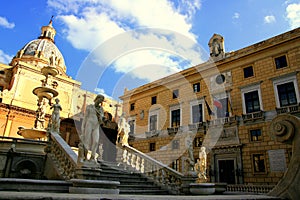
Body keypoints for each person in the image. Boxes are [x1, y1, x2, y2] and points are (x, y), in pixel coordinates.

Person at [80, 94, 105, 162]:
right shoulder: (90, 107)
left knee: (96, 141)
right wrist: (83, 128)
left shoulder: (101, 109)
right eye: (101, 100)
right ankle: (85, 157)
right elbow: (85, 118)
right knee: (87, 141)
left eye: (102, 101)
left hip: (96, 126)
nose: (101, 102)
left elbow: (101, 120)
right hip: (89, 124)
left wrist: (102, 118)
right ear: (97, 98)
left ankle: (92, 157)